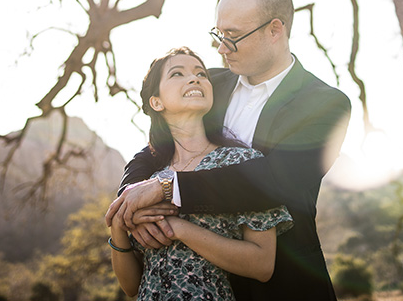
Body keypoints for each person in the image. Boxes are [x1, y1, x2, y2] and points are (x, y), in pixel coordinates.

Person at [106, 0, 352, 300]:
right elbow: (159, 147)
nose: (221, 48)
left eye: (233, 37)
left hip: (282, 283)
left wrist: (167, 189)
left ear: (274, 30)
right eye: (219, 34)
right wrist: (132, 202)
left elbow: (275, 179)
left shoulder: (327, 105)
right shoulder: (209, 85)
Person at [108, 46, 293, 300]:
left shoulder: (241, 163)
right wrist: (118, 227)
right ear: (156, 101)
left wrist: (177, 228)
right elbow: (132, 287)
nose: (195, 78)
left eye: (201, 74)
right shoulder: (148, 181)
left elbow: (262, 265)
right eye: (177, 74)